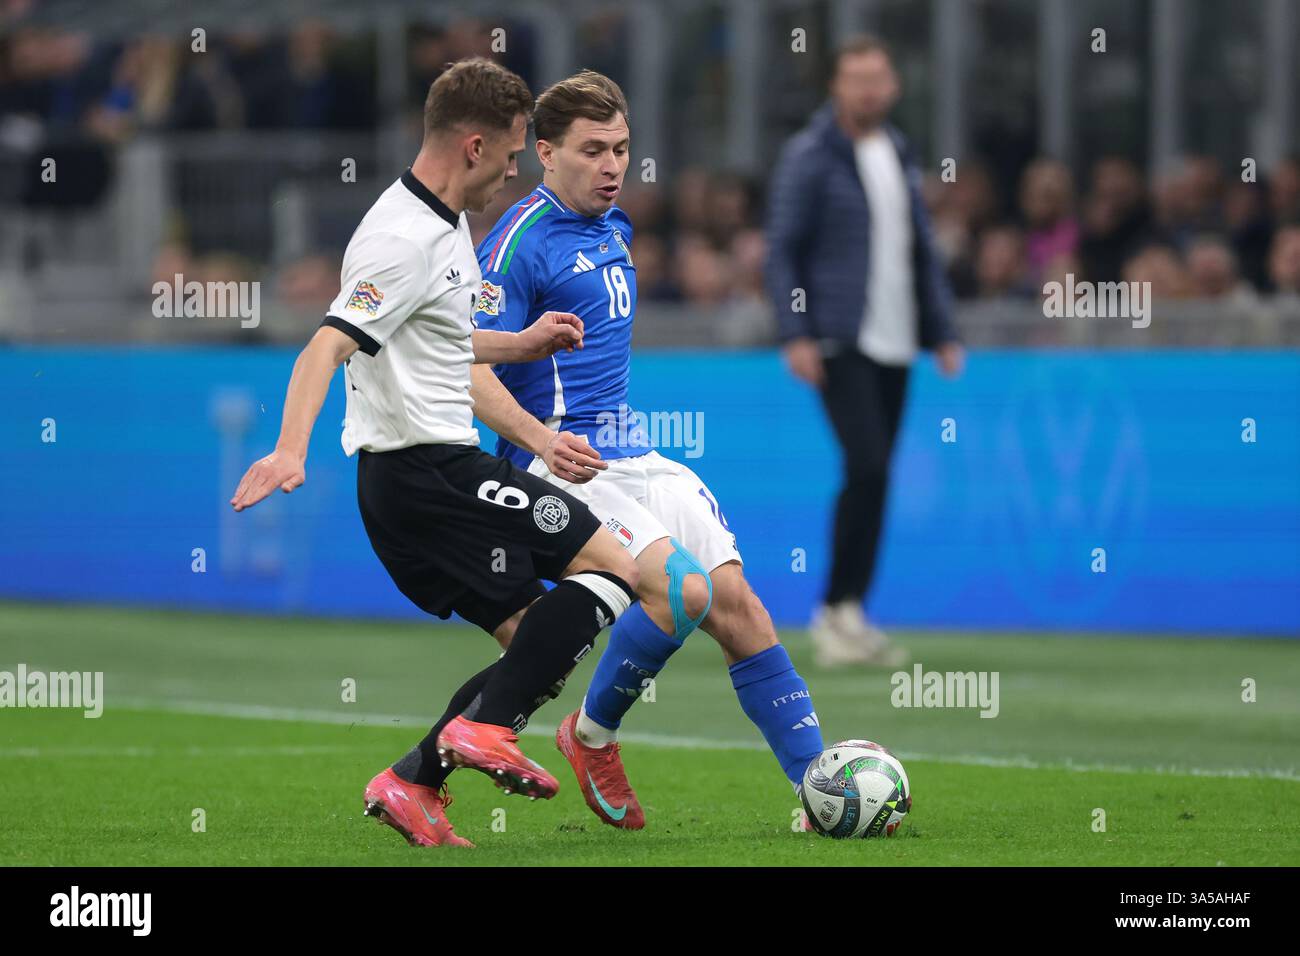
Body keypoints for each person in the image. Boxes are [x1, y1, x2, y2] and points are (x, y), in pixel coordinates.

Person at [229, 58, 641, 848]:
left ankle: (414, 781)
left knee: (535, 644)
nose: (520, 168)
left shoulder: (444, 221)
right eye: (517, 152)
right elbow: (325, 346)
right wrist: (289, 450)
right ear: (477, 146)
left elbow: (436, 334)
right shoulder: (402, 238)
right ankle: (485, 733)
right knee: (613, 565)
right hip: (429, 472)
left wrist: (517, 340)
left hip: (415, 480)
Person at [470, 70, 825, 831]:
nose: (611, 165)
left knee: (740, 608)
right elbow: (463, 369)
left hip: (630, 450)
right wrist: (540, 441)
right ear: (544, 153)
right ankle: (586, 737)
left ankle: (821, 791)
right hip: (556, 464)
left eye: (622, 149)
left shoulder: (615, 226)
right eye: (592, 150)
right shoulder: (515, 245)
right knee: (684, 592)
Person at [765, 35, 964, 667]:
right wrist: (796, 333)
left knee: (875, 476)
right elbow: (783, 250)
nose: (868, 90)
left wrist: (942, 328)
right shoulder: (811, 156)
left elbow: (919, 248)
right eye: (856, 79)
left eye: (878, 78)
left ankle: (850, 610)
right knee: (868, 466)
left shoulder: (896, 149)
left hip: (897, 338)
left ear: (894, 86)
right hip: (839, 337)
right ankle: (833, 611)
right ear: (836, 87)